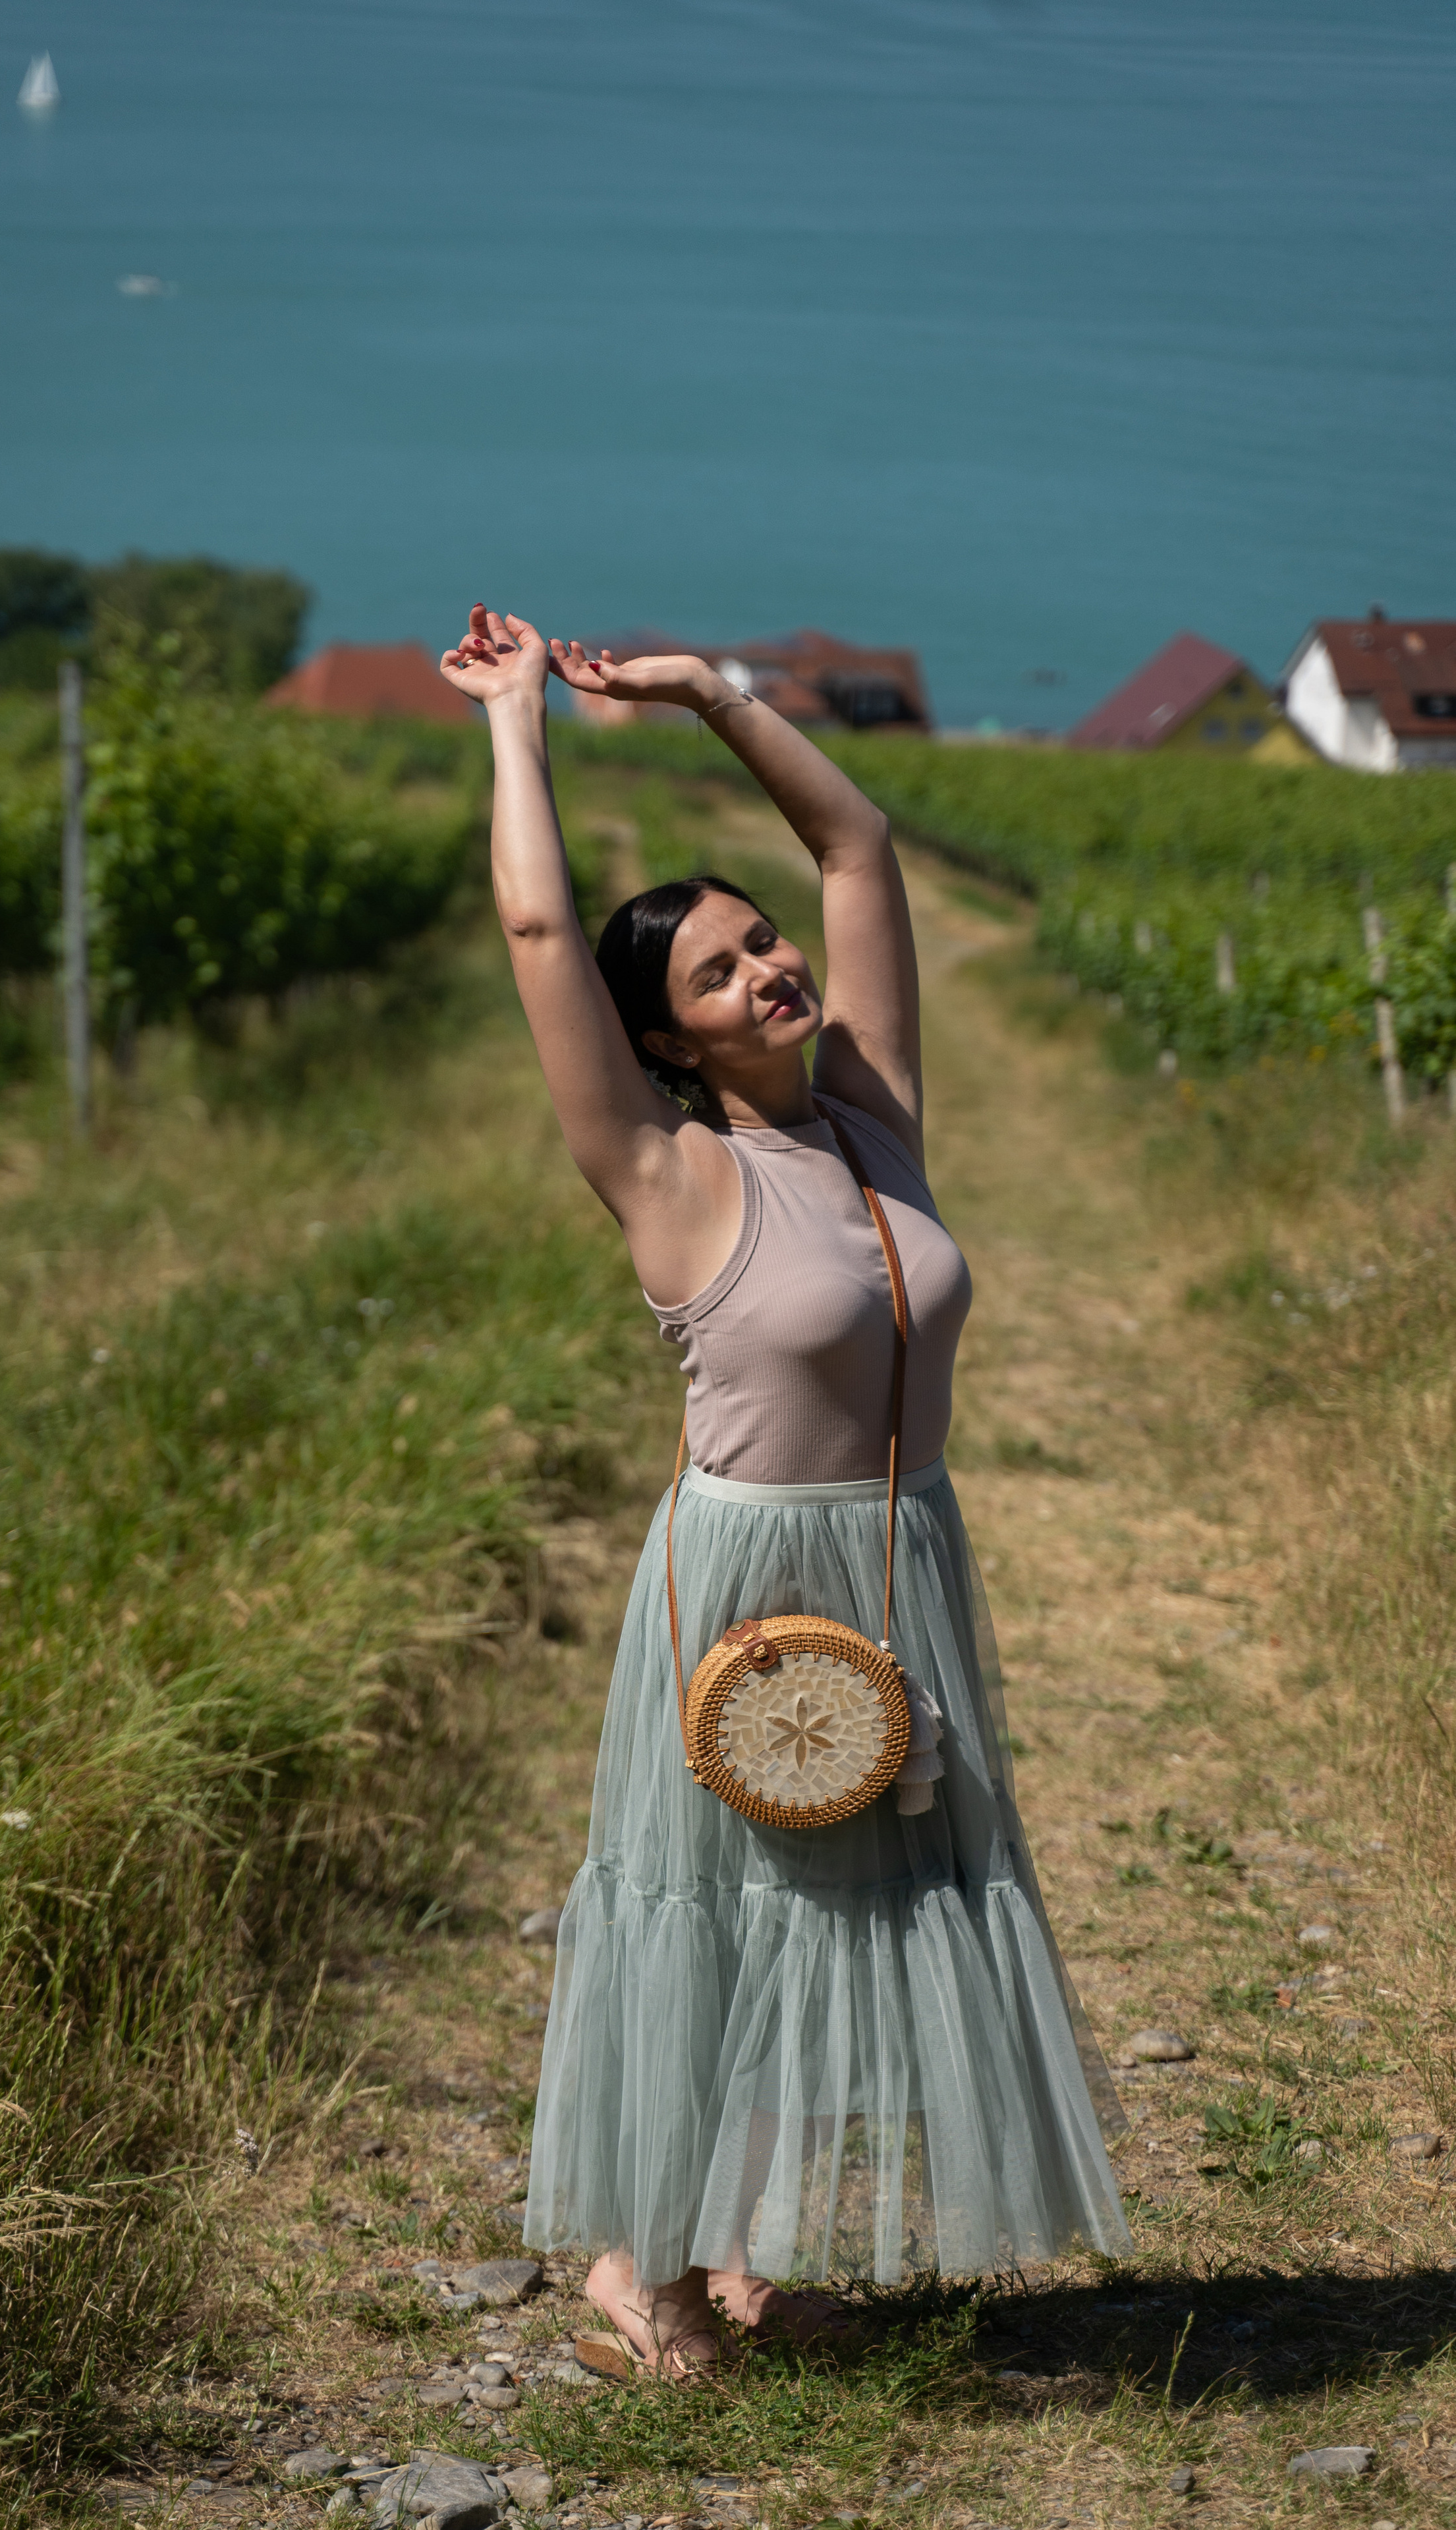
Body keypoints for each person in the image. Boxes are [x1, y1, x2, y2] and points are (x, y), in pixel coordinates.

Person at [440, 605, 1130, 2378]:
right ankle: (632, 2274)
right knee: (718, 1916)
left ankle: (745, 2263)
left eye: (763, 945)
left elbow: (859, 845)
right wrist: (518, 722)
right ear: (665, 1043)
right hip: (749, 1577)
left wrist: (712, 697)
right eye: (720, 975)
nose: (767, 972)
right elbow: (537, 930)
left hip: (904, 1555)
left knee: (857, 1913)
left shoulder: (868, 1121)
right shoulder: (666, 1171)